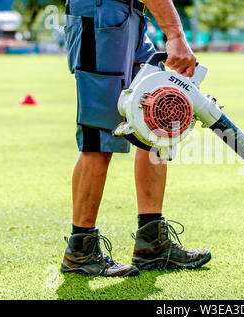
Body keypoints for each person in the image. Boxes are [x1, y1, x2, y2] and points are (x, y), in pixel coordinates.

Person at [61, 0, 211, 277]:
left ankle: (151, 243)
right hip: (101, 13)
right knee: (100, 132)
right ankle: (80, 251)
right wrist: (175, 34)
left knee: (153, 121)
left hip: (129, 15)